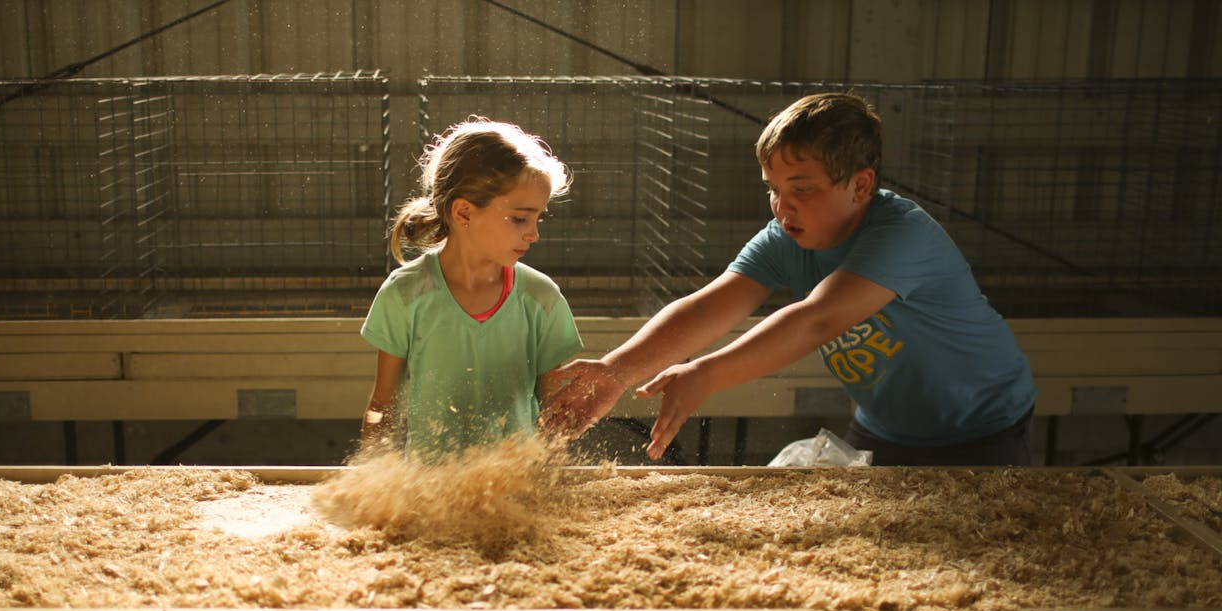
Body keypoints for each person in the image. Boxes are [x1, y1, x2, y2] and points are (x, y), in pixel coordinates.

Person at [541, 92, 1036, 467]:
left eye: (802, 190)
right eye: (774, 190)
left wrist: (706, 374)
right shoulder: (784, 238)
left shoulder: (902, 235)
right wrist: (616, 371)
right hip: (884, 426)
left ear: (861, 185)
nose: (783, 207)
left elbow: (817, 319)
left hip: (982, 427)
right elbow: (711, 306)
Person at [359, 118, 582, 460]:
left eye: (539, 218)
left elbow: (552, 415)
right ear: (464, 211)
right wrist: (372, 480)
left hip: (514, 488)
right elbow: (382, 408)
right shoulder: (404, 295)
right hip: (431, 490)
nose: (534, 233)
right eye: (521, 218)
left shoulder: (542, 299)